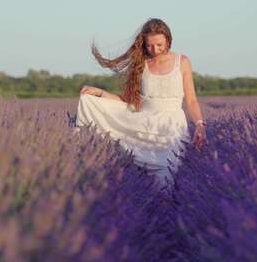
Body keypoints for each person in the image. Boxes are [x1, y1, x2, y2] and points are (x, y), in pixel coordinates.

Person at [76, 18, 207, 189]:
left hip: (171, 129)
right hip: (143, 126)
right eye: (149, 45)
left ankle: (166, 212)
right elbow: (128, 101)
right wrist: (100, 93)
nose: (155, 50)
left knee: (166, 178)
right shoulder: (141, 64)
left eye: (159, 44)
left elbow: (191, 100)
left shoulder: (182, 62)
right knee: (144, 183)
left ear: (168, 39)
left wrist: (199, 124)